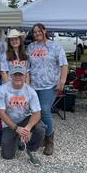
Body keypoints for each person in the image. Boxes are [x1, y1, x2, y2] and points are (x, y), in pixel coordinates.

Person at [27, 23, 68, 156]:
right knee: (34, 112)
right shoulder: (31, 47)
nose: (37, 33)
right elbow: (27, 67)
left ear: (45, 31)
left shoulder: (55, 46)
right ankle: (41, 136)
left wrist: (62, 81)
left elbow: (64, 64)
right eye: (34, 32)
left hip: (49, 85)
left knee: (44, 110)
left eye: (39, 31)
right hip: (34, 85)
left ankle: (50, 139)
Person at [0, 64, 45, 166]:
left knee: (40, 128)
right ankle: (17, 139)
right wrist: (16, 128)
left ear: (25, 77)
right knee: (7, 156)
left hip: (25, 119)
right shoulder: (2, 89)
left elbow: (37, 113)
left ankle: (31, 150)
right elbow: (1, 113)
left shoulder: (30, 91)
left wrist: (27, 128)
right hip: (10, 123)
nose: (18, 77)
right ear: (11, 76)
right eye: (15, 74)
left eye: (21, 75)